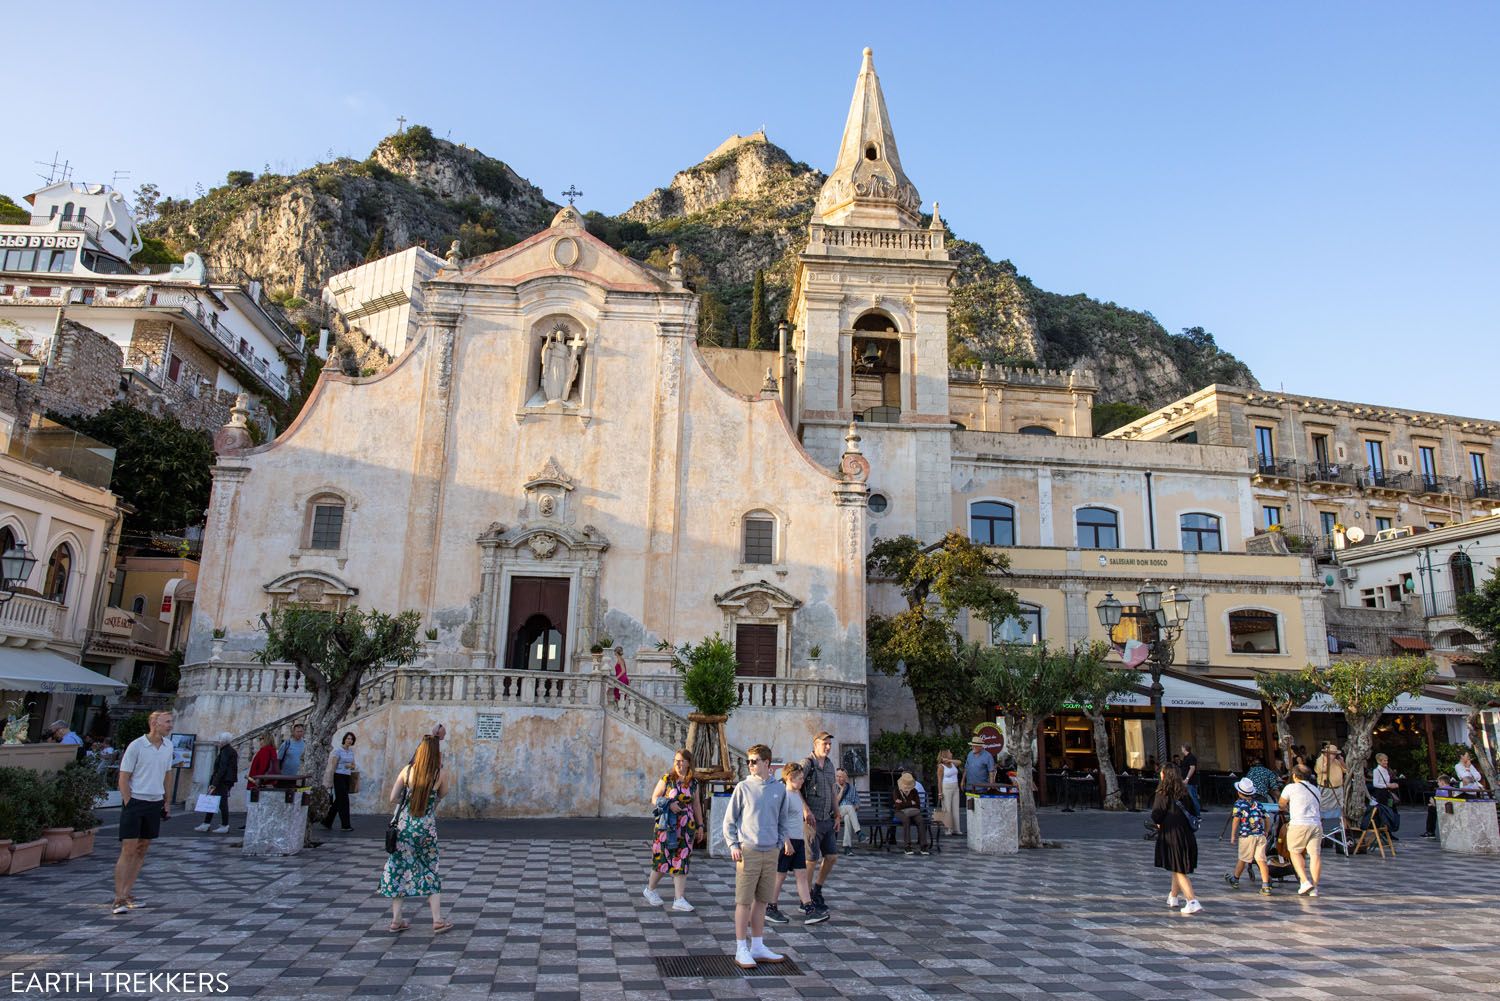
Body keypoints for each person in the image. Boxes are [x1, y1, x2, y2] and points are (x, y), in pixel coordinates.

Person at [722, 743, 792, 970]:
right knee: (743, 901)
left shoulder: (779, 789)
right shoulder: (743, 787)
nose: (749, 765)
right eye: (748, 761)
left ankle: (758, 945)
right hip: (748, 851)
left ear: (767, 763)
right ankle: (741, 947)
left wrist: (779, 842)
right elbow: (729, 821)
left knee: (763, 900)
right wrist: (733, 844)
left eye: (754, 761)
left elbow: (783, 819)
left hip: (770, 851)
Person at [377, 735, 452, 934]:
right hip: (425, 827)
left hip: (404, 826)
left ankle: (396, 920)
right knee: (430, 868)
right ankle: (437, 920)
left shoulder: (407, 770)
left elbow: (393, 797)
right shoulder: (440, 774)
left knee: (398, 868)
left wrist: (409, 801)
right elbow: (442, 794)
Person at [113, 710, 176, 915]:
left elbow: (167, 775)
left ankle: (128, 893)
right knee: (128, 848)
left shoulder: (168, 746)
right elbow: (124, 777)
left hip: (154, 801)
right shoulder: (137, 746)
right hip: (136, 801)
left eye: (171, 722)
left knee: (142, 849)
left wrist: (167, 801)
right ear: (154, 723)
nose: (170, 725)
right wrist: (128, 800)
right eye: (167, 722)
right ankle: (118, 897)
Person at [767, 762, 829, 925]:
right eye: (800, 778)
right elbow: (778, 820)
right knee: (780, 876)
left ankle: (809, 909)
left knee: (801, 875)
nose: (803, 781)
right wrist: (786, 842)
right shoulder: (785, 795)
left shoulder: (796, 795)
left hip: (799, 841)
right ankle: (770, 908)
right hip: (787, 842)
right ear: (789, 778)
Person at [643, 748, 703, 912]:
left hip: (686, 828)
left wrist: (700, 825)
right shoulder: (667, 779)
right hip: (667, 827)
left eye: (682, 760)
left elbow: (696, 805)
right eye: (676, 760)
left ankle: (679, 898)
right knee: (663, 859)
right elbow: (654, 798)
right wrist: (669, 803)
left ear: (689, 763)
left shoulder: (693, 783)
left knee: (681, 861)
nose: (678, 763)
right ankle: (650, 889)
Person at [1150, 765, 1201, 914]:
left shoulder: (1162, 792)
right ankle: (1173, 896)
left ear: (1165, 775)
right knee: (1176, 865)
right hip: (1186, 834)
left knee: (1179, 870)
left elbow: (1156, 814)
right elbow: (1193, 810)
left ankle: (1192, 900)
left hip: (1171, 834)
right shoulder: (1184, 792)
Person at [799, 731, 840, 913]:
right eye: (825, 744)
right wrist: (805, 809)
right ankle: (805, 899)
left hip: (827, 818)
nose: (828, 747)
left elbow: (832, 792)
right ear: (815, 744)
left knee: (831, 857)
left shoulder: (831, 766)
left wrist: (837, 814)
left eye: (830, 744)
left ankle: (817, 889)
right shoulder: (807, 764)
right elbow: (793, 787)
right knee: (811, 860)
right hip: (812, 820)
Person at [1278, 764, 1322, 897]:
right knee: (1315, 855)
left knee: (1295, 852)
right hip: (1316, 824)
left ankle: (1304, 881)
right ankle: (1314, 887)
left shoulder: (1290, 787)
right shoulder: (1316, 789)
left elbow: (1281, 804)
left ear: (1295, 776)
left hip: (1299, 824)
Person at [1224, 776, 1272, 895]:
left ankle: (1235, 879)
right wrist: (1266, 831)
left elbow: (1235, 820)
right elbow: (1267, 819)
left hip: (1246, 835)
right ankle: (1265, 885)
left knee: (1243, 858)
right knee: (1261, 860)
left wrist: (1233, 835)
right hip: (1260, 835)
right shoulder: (1258, 804)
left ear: (1239, 792)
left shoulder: (1239, 804)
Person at [196, 732, 238, 834]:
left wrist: (214, 783)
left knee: (222, 804)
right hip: (225, 780)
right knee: (212, 801)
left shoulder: (225, 752)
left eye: (219, 739)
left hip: (222, 781)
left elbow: (222, 769)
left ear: (223, 741)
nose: (218, 741)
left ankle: (224, 825)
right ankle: (206, 823)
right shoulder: (229, 751)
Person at [322, 732, 358, 832]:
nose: (349, 741)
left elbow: (354, 765)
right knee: (344, 801)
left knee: (339, 800)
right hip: (338, 776)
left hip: (347, 777)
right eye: (348, 738)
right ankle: (345, 825)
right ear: (344, 739)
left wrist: (349, 766)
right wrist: (330, 779)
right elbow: (333, 765)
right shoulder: (338, 751)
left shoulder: (351, 752)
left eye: (351, 739)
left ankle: (327, 821)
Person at [893, 771, 929, 855]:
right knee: (906, 820)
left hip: (913, 812)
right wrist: (910, 803)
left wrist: (903, 803)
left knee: (920, 820)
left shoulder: (914, 791)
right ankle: (907, 846)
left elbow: (918, 805)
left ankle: (924, 846)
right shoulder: (896, 791)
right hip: (900, 812)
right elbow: (898, 806)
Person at [935, 748, 962, 836]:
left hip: (955, 786)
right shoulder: (941, 766)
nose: (951, 754)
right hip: (946, 787)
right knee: (947, 809)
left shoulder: (952, 763)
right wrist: (939, 793)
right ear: (945, 755)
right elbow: (939, 780)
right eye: (950, 753)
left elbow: (959, 762)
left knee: (955, 808)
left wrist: (949, 760)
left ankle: (956, 829)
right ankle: (948, 829)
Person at [1314, 743, 1346, 814]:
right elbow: (1324, 770)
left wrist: (1342, 761)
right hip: (1327, 789)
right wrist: (1329, 760)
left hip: (1338, 789)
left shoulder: (1337, 761)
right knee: (1324, 809)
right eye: (1333, 754)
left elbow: (1346, 770)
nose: (1335, 755)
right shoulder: (1320, 760)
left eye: (1335, 754)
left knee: (1338, 808)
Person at [835, 768, 861, 849]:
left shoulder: (852, 788)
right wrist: (842, 790)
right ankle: (859, 832)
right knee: (849, 808)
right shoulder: (834, 787)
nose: (838, 778)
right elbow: (835, 803)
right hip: (837, 811)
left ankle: (847, 846)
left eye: (841, 777)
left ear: (845, 778)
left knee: (847, 818)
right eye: (837, 776)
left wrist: (855, 806)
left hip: (849, 813)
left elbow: (857, 803)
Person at [1179, 744, 1200, 814]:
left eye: (1182, 748)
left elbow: (1192, 768)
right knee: (1188, 798)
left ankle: (1197, 815)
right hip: (1186, 781)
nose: (1181, 749)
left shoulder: (1191, 757)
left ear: (1185, 749)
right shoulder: (1185, 757)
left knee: (1193, 798)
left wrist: (1187, 778)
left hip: (1191, 782)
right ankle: (1190, 813)